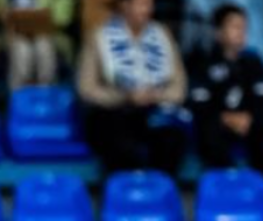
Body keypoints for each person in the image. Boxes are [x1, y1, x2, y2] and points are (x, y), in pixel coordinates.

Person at [77, 0, 190, 176]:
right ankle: (126, 196)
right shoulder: (99, 35)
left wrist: (157, 96)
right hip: (114, 111)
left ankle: (159, 194)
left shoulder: (163, 34)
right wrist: (124, 96)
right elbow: (86, 88)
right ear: (124, 6)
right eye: (140, 4)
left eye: (149, 4)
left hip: (155, 108)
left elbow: (179, 85)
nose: (146, 10)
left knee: (171, 138)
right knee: (118, 141)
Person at [189, 4, 263, 173]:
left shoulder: (254, 61)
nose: (241, 32)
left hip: (247, 121)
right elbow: (198, 101)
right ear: (218, 32)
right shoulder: (203, 62)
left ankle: (257, 183)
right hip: (218, 123)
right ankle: (224, 185)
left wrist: (249, 116)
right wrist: (225, 117)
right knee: (208, 130)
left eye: (244, 27)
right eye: (235, 27)